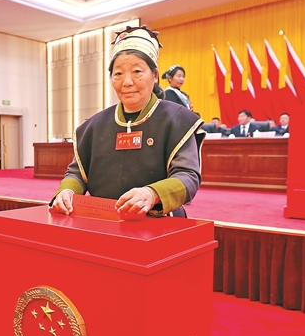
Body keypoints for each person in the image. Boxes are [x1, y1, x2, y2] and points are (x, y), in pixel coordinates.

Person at [50, 26, 202, 218]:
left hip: (160, 220)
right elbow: (77, 173)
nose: (127, 82)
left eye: (137, 71)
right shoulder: (94, 126)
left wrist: (152, 194)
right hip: (104, 222)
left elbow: (187, 176)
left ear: (155, 75)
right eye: (118, 74)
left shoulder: (177, 119)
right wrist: (67, 191)